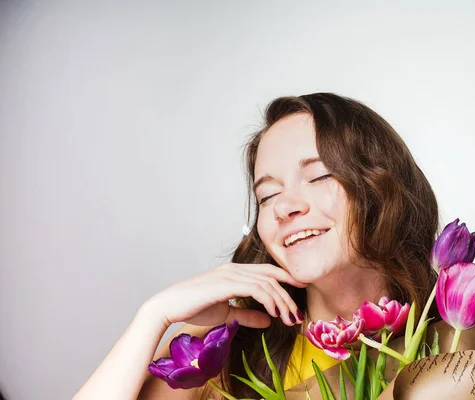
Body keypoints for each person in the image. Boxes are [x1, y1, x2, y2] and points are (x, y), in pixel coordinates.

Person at [73, 93, 439, 399]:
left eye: (319, 176)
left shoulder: (458, 335)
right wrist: (155, 314)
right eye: (267, 195)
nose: (284, 206)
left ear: (381, 188)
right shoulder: (225, 350)